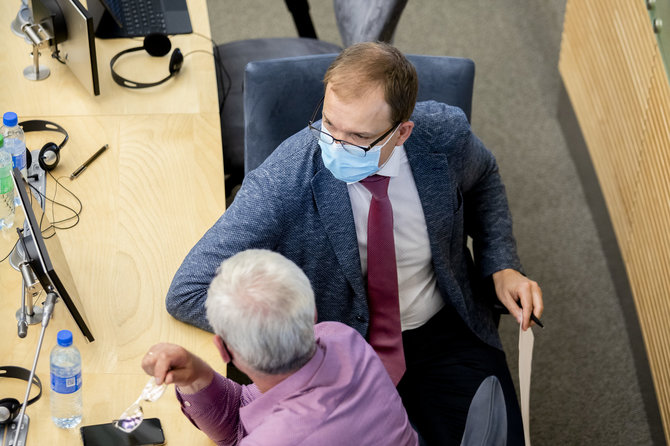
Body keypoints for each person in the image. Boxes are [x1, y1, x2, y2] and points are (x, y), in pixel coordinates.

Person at [166, 42, 543, 445]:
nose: (335, 146)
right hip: (340, 350)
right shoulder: (284, 180)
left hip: (445, 326)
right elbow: (188, 290)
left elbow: (483, 178)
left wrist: (501, 264)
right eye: (329, 125)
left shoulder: (444, 135)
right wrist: (286, 336)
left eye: (359, 137)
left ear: (402, 132)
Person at [144, 249, 417, 445]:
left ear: (224, 351)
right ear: (312, 315)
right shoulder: (340, 337)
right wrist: (196, 376)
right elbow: (242, 424)